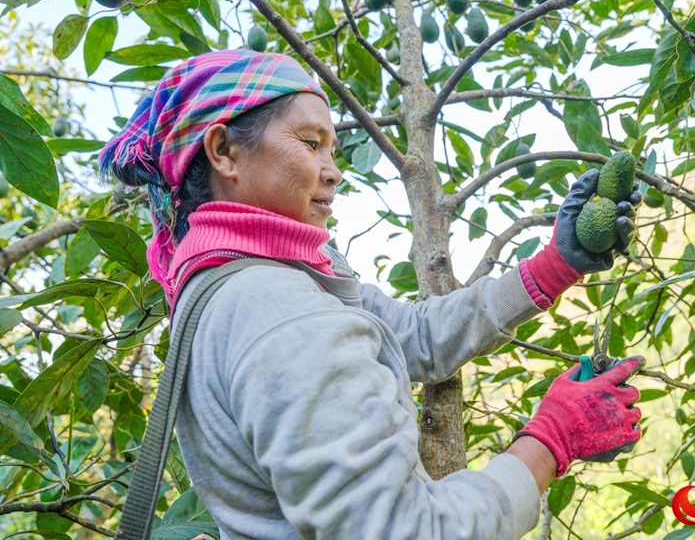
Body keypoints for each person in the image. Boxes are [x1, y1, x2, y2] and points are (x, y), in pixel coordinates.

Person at [100, 49, 644, 539]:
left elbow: (408, 335)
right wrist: (551, 441)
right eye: (310, 143)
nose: (333, 171)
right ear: (224, 151)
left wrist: (557, 263)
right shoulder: (275, 310)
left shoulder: (260, 279)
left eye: (333, 149)